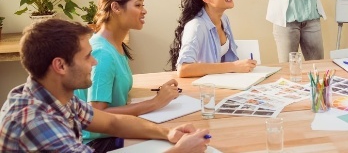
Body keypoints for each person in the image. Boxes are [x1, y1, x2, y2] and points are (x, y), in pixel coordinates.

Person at [0, 19, 211, 152]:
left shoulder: (55, 95)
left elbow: (113, 123)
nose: (95, 62)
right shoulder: (36, 123)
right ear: (60, 65)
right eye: (87, 56)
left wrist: (168, 133)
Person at [75, 0, 180, 152]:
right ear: (116, 8)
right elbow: (97, 114)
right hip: (96, 143)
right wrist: (154, 103)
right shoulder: (103, 54)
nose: (144, 10)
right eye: (138, 5)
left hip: (114, 131)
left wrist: (158, 96)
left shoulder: (114, 45)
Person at [168, 0, 256, 77]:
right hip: (202, 90)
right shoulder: (197, 26)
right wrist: (234, 66)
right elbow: (183, 69)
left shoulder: (224, 19)